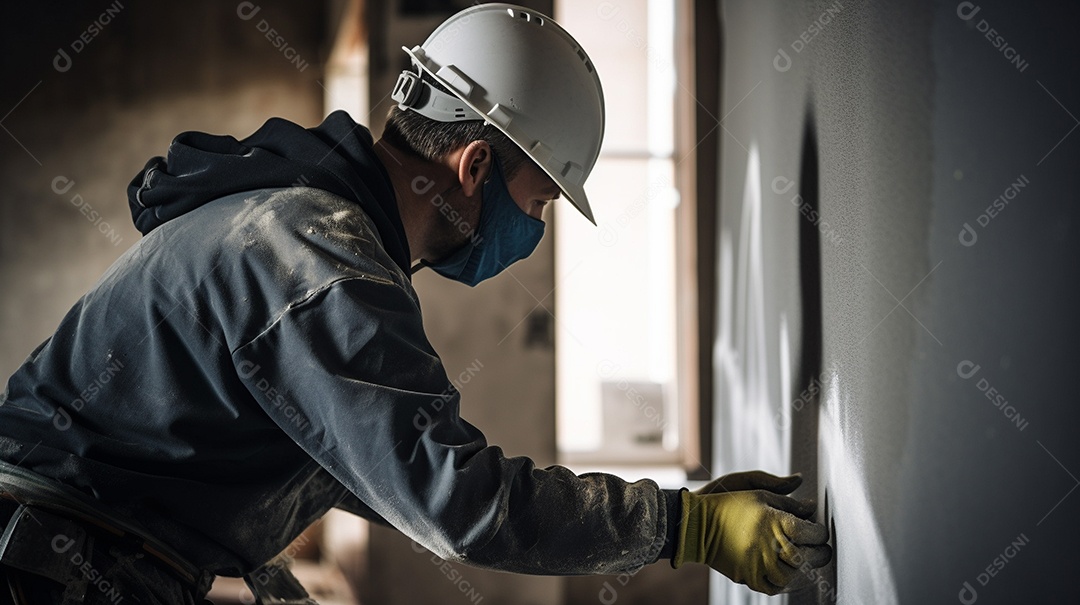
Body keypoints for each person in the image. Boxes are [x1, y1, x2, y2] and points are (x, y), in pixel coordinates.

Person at [0, 4, 830, 603]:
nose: (532, 230)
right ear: (473, 167)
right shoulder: (320, 257)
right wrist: (685, 526)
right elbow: (454, 499)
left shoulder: (303, 218)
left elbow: (363, 464)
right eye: (538, 202)